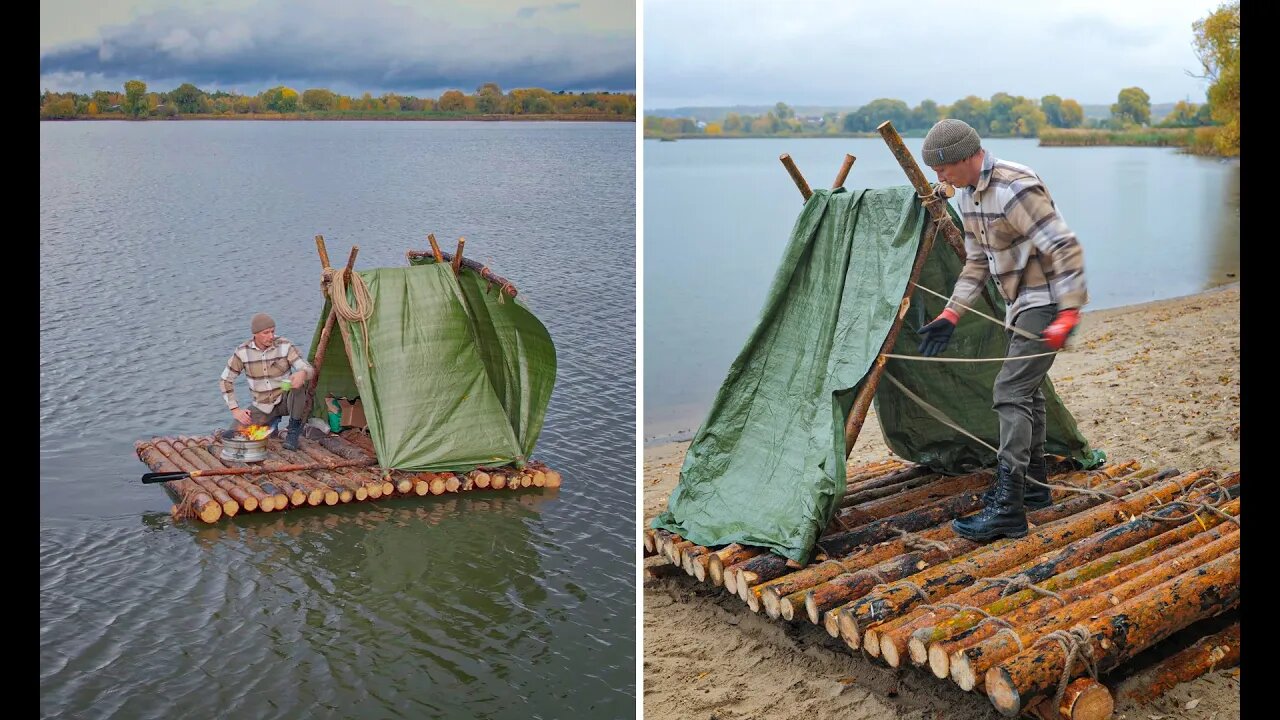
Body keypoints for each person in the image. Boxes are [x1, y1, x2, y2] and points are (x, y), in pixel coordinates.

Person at [914, 118, 1087, 542]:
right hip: (1019, 303)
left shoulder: (1014, 188)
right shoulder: (970, 196)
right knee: (1028, 393)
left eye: (944, 168)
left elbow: (1064, 246)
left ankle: (1008, 508)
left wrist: (1068, 313)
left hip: (1045, 301)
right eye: (935, 170)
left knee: (1008, 392)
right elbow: (977, 263)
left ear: (969, 156)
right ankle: (1035, 489)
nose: (939, 178)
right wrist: (950, 315)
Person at [219, 312, 314, 450]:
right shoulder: (242, 352)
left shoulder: (285, 345)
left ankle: (293, 431)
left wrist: (303, 373)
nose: (271, 336)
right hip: (262, 406)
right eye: (266, 333)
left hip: (285, 401)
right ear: (255, 334)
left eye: (272, 332)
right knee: (234, 434)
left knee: (298, 386)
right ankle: (270, 424)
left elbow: (308, 368)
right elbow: (225, 381)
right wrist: (235, 410)